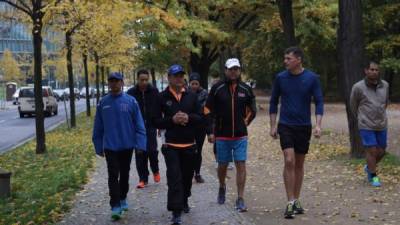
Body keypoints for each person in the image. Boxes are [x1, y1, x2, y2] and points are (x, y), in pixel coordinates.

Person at [269, 46, 324, 219]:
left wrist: (318, 125)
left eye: (288, 58)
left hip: (303, 126)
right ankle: (290, 201)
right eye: (285, 58)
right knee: (289, 159)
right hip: (285, 125)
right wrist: (272, 125)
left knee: (299, 165)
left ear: (298, 60)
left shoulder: (312, 78)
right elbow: (273, 102)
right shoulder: (280, 78)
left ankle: (296, 199)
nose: (285, 61)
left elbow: (319, 102)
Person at [151, 64, 202, 225]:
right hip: (170, 144)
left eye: (181, 75)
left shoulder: (192, 96)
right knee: (174, 177)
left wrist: (188, 118)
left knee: (186, 178)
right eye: (176, 75)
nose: (179, 78)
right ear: (169, 78)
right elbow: (155, 121)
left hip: (189, 144)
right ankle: (176, 212)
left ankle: (185, 198)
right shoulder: (161, 97)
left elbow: (201, 118)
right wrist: (171, 120)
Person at [204, 58, 257, 212]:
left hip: (240, 135)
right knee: (222, 165)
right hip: (222, 135)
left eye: (236, 69)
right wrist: (210, 131)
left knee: (241, 164)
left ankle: (240, 198)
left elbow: (252, 109)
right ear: (225, 71)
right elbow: (207, 110)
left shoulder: (246, 89)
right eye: (230, 69)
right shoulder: (217, 88)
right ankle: (222, 186)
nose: (233, 72)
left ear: (239, 70)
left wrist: (246, 122)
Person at [92, 72, 146, 220]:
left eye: (117, 81)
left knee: (125, 174)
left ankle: (122, 198)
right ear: (108, 83)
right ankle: (115, 205)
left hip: (127, 146)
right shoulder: (103, 103)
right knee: (112, 175)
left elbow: (139, 124)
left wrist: (140, 144)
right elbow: (98, 126)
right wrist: (98, 146)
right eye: (111, 81)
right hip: (110, 147)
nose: (114, 84)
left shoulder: (131, 101)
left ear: (122, 83)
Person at [350, 61, 389, 187]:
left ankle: (369, 166)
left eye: (376, 70)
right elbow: (353, 105)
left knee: (381, 151)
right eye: (371, 69)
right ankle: (373, 176)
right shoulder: (358, 87)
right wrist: (361, 118)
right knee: (371, 150)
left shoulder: (385, 86)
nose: (374, 72)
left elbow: (385, 103)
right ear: (366, 71)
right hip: (366, 124)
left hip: (381, 124)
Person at [127, 69, 161, 189]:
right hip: (137, 127)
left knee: (152, 150)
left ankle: (155, 170)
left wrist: (159, 125)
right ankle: (143, 178)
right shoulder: (131, 93)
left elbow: (159, 108)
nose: (144, 82)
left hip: (151, 125)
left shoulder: (154, 91)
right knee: (140, 152)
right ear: (137, 80)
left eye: (146, 80)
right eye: (142, 80)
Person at [188, 72, 208, 183]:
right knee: (190, 150)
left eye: (196, 83)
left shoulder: (205, 93)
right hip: (189, 126)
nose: (194, 86)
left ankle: (197, 173)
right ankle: (189, 172)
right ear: (189, 83)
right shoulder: (185, 93)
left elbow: (206, 109)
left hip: (201, 126)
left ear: (199, 84)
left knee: (198, 150)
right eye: (192, 83)